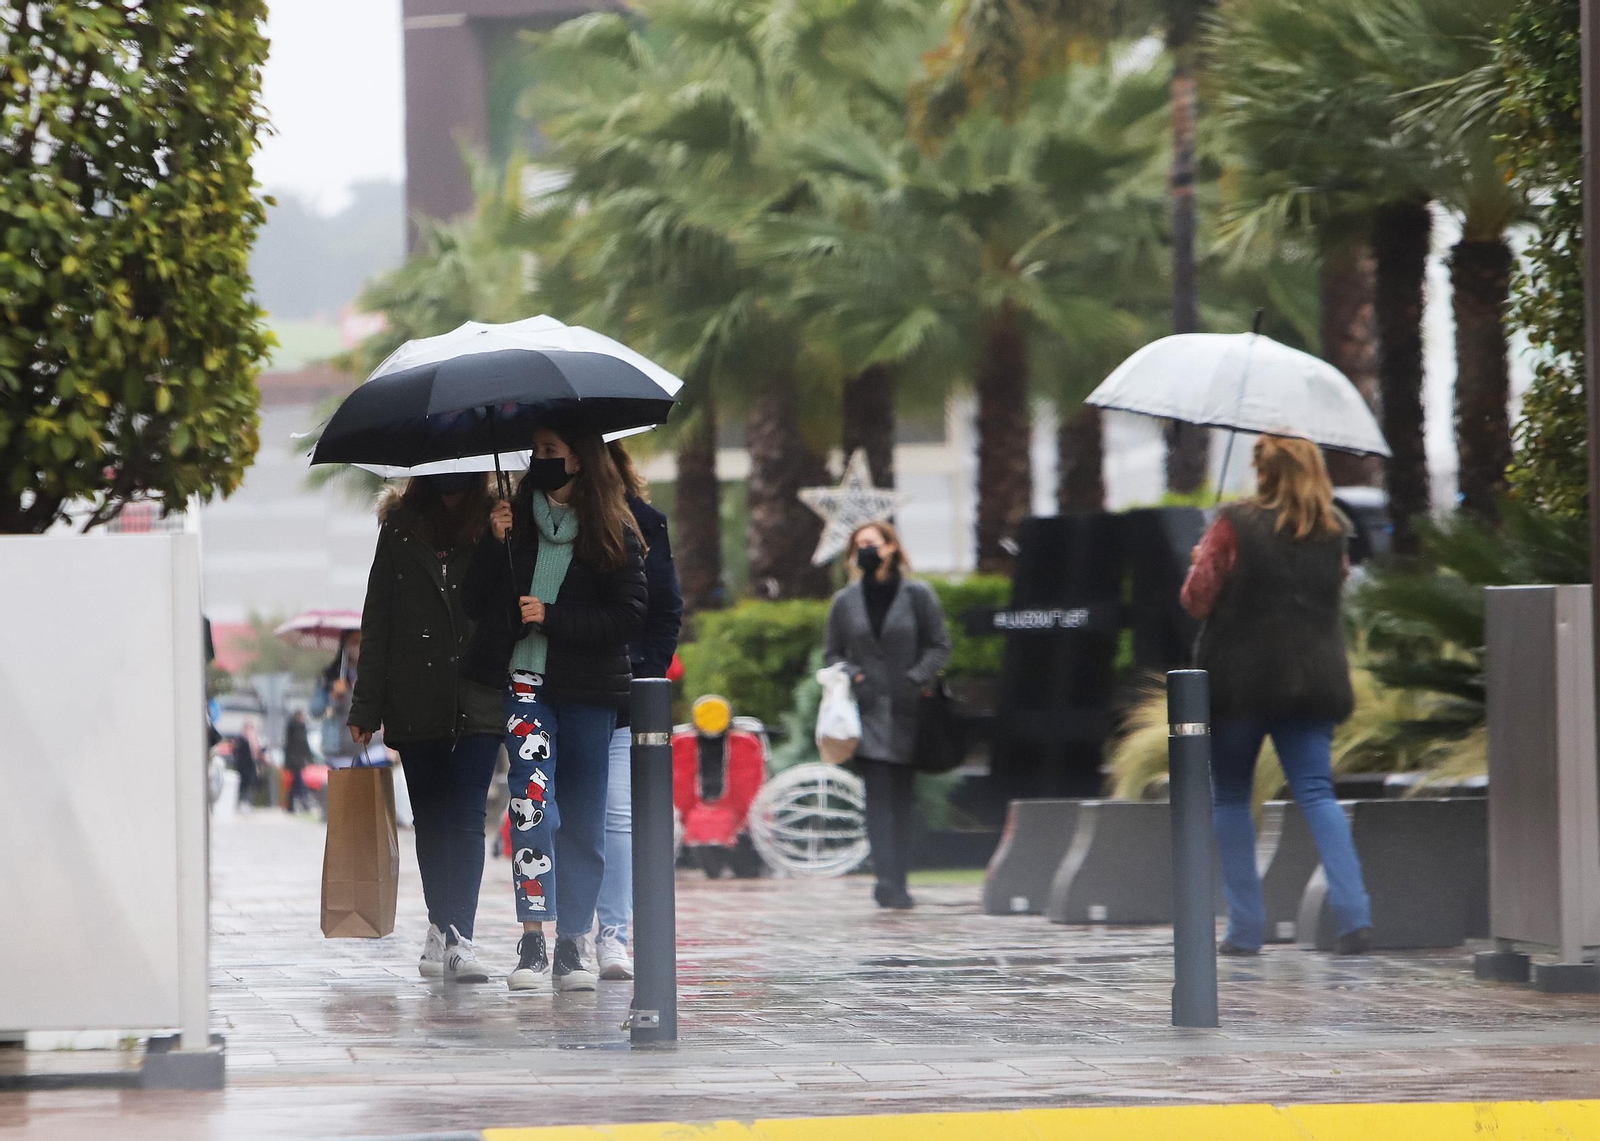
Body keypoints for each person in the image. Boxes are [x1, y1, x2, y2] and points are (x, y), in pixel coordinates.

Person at [461, 425, 647, 993]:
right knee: (531, 809)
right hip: (526, 685)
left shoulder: (613, 528)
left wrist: (552, 615)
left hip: (591, 692)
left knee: (586, 823)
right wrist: (494, 546)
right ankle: (532, 939)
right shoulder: (511, 524)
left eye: (551, 453)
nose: (540, 462)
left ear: (580, 459)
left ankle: (573, 944)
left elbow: (629, 617)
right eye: (536, 453)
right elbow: (473, 603)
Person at [1181, 434, 1374, 956]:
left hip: (1240, 682)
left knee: (1231, 797)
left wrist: (1203, 555)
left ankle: (1245, 930)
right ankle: (1355, 915)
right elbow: (1334, 588)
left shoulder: (1235, 523)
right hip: (1313, 679)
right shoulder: (1333, 529)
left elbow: (1197, 599)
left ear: (1263, 470)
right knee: (1316, 792)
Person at [347, 472, 504, 984]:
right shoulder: (399, 527)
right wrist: (365, 708)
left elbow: (518, 602)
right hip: (416, 696)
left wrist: (505, 541)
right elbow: (379, 619)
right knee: (432, 819)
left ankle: (460, 937)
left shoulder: (499, 522)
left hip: (480, 693)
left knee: (464, 814)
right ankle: (440, 924)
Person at [824, 521, 951, 910]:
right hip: (866, 713)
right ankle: (885, 880)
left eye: (872, 543)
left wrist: (916, 677)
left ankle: (899, 878)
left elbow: (940, 645)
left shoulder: (917, 594)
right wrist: (855, 675)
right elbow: (832, 654)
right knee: (877, 797)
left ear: (891, 547)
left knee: (902, 798)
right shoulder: (845, 601)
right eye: (859, 544)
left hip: (910, 711)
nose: (866, 549)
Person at [591, 442, 682, 981]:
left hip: (626, 689)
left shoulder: (645, 523)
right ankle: (573, 929)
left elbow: (666, 607)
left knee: (618, 813)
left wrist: (647, 671)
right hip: (560, 686)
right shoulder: (535, 522)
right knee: (567, 813)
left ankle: (614, 933)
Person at [283, 710, 314, 813]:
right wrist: (309, 758)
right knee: (298, 780)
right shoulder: (298, 729)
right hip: (296, 760)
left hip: (294, 760)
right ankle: (303, 800)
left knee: (295, 782)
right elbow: (303, 744)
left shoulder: (293, 728)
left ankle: (291, 804)